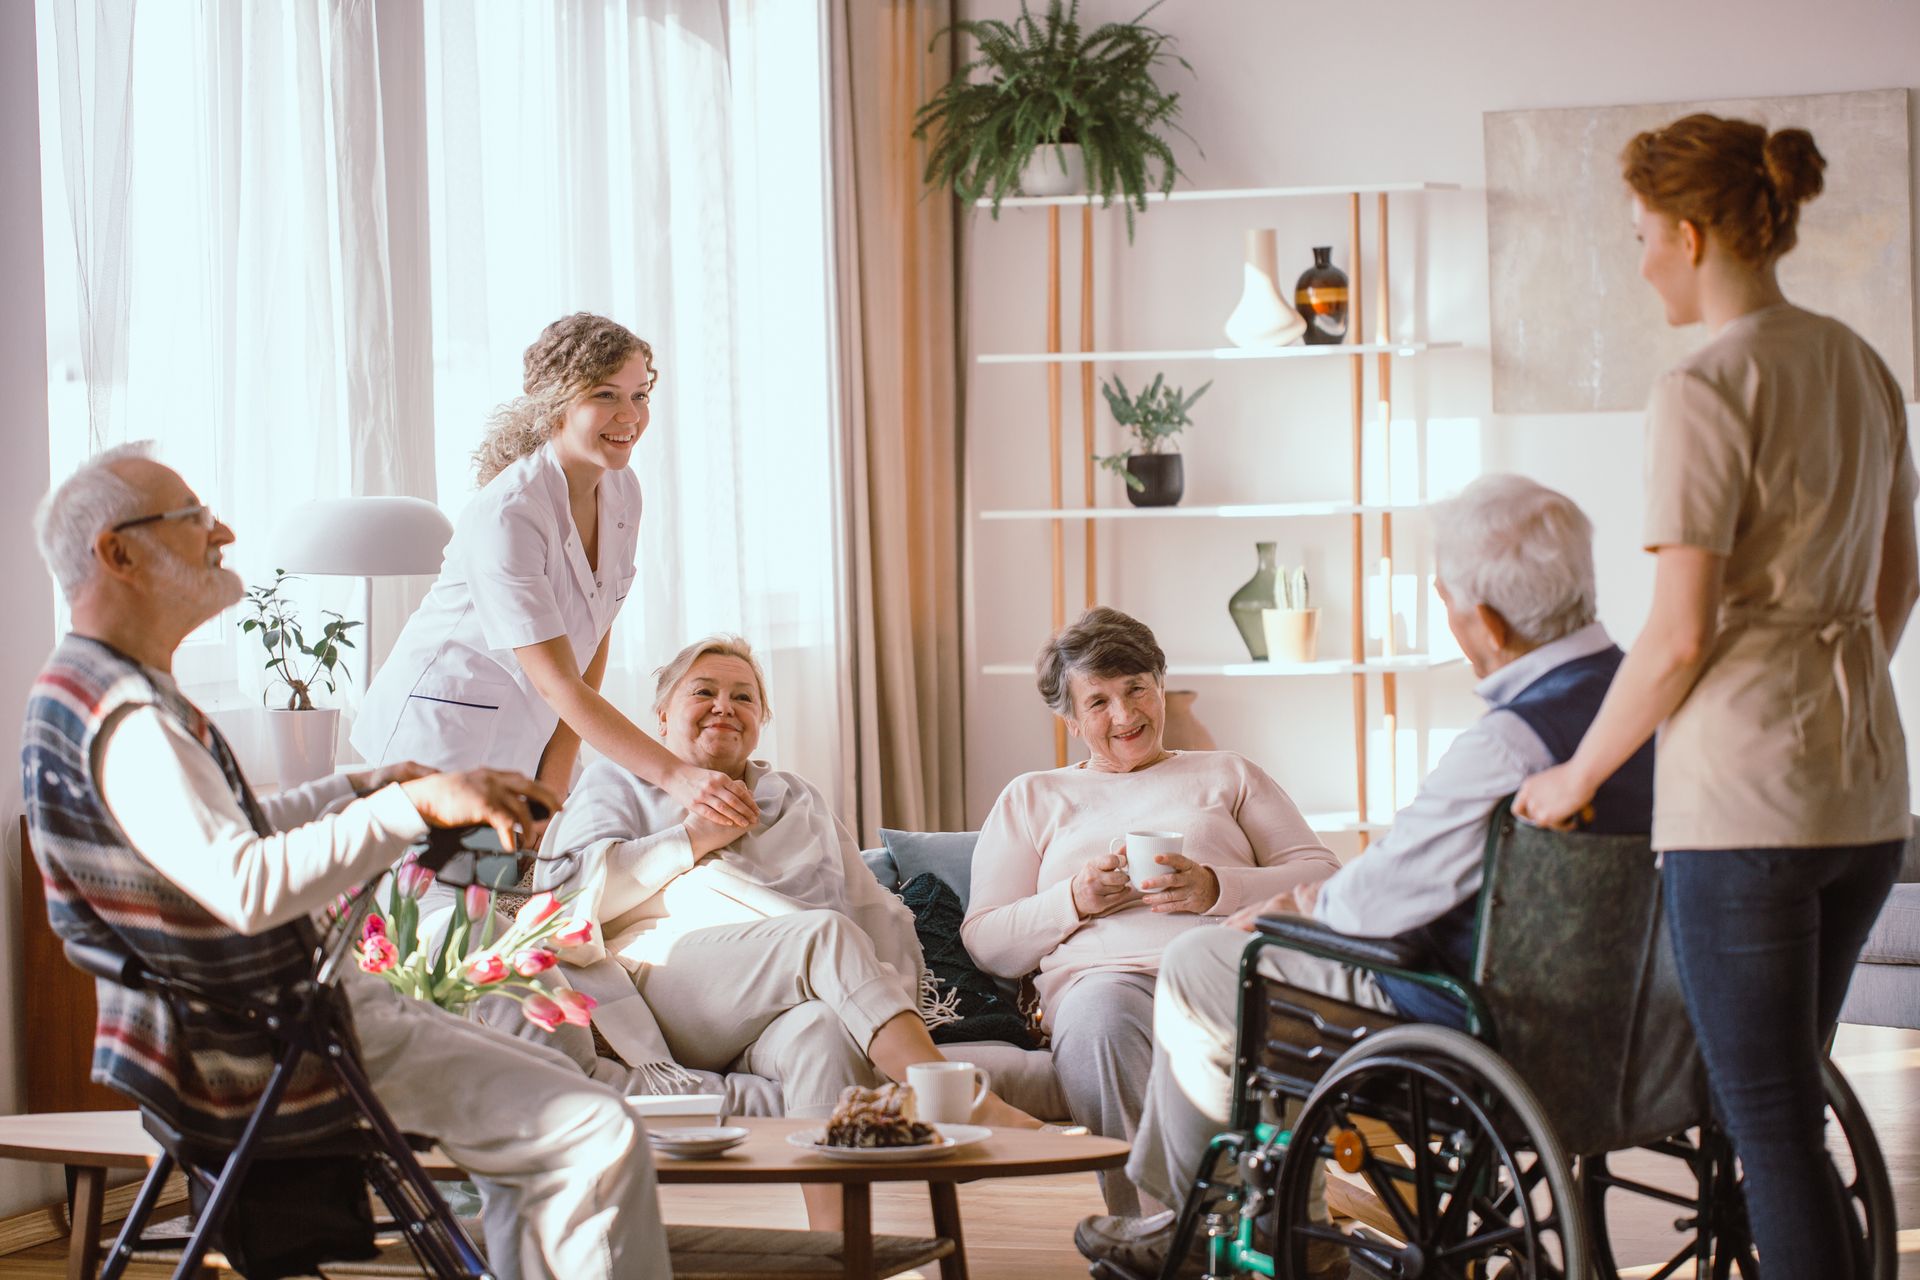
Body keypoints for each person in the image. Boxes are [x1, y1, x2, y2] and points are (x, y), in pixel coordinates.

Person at [22, 444, 671, 1280]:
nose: (221, 530)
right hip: (276, 1030)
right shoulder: (133, 721)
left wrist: (368, 784)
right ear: (118, 553)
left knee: (560, 1096)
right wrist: (414, 807)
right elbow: (245, 886)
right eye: (191, 520)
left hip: (263, 1015)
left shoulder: (94, 692)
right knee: (595, 1129)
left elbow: (234, 831)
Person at [1073, 476, 1657, 1280]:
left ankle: (1205, 1226)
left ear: (1482, 621)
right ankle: (1246, 1214)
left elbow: (1372, 907)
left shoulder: (1506, 745)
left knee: (1206, 964)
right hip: (1640, 1029)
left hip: (1477, 1023)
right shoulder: (1656, 707)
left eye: (1446, 600)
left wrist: (1285, 908)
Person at [1515, 115, 1916, 1278]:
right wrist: (1828, 686)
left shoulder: (1703, 383)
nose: (1639, 262)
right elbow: (1901, 575)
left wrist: (1575, 774)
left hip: (1745, 806)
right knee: (1790, 1096)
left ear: (1689, 235)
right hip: (1865, 791)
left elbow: (1680, 631)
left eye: (1642, 237)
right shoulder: (1857, 359)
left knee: (1765, 1117)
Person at [537, 635, 1037, 1225]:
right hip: (671, 985)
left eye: (744, 697)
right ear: (663, 714)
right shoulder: (617, 782)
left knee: (821, 1032)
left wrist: (883, 1003)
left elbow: (869, 907)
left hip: (791, 990)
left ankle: (839, 1247)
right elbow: (567, 902)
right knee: (819, 932)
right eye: (704, 692)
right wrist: (695, 838)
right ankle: (953, 1099)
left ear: (761, 721)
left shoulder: (793, 797)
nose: (725, 706)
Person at [962, 606, 1339, 1217]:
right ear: (1071, 721)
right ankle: (1159, 1233)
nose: (1126, 715)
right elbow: (986, 941)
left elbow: (1325, 882)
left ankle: (1278, 1224)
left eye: (1136, 688)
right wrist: (1074, 901)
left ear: (1161, 685)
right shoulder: (1033, 797)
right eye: (1099, 702)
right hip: (1103, 983)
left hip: (1224, 968)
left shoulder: (1227, 774)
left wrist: (1216, 888)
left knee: (1267, 1012)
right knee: (1101, 1021)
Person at [352, 312, 756, 837]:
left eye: (639, 395)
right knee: (436, 915)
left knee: (524, 904)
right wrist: (676, 776)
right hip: (435, 742)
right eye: (606, 395)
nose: (629, 415)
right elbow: (557, 681)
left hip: (528, 730)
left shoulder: (622, 488)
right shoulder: (510, 513)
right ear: (555, 403)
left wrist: (557, 774)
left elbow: (596, 628)